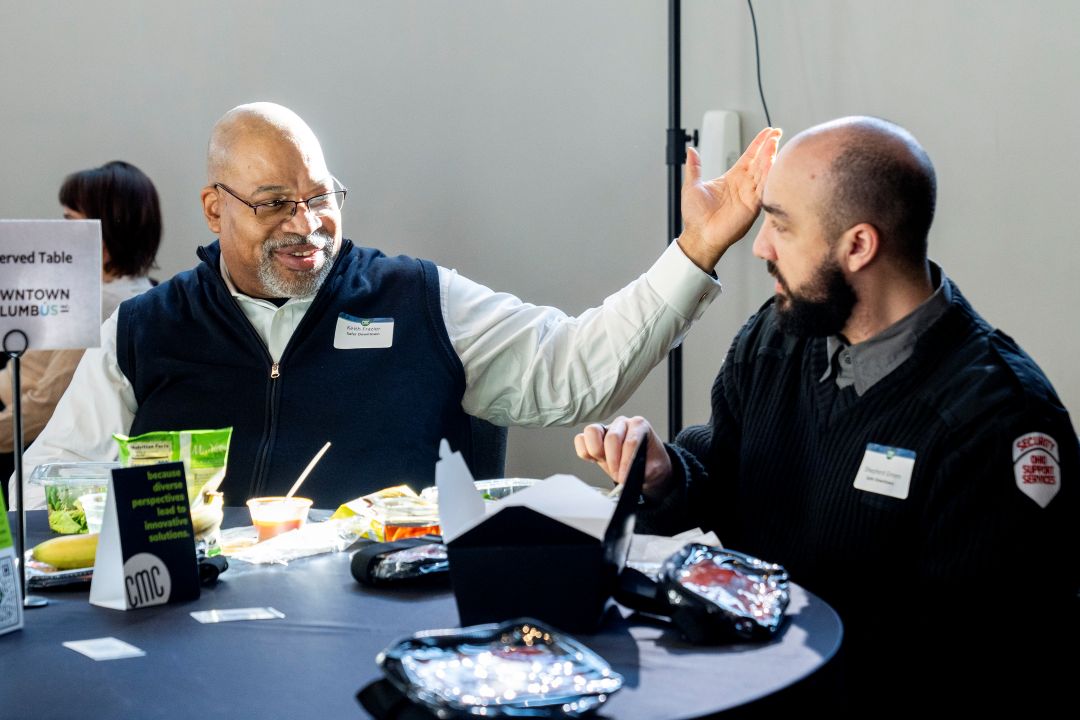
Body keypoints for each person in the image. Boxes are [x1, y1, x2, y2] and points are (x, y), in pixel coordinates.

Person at [13, 102, 781, 508]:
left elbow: (574, 371)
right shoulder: (144, 330)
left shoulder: (417, 298)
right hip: (196, 636)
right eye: (274, 202)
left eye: (321, 197)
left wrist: (695, 250)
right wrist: (146, 507)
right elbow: (46, 481)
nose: (305, 225)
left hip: (388, 627)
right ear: (216, 209)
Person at [575, 116, 1077, 711]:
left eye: (781, 225)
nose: (760, 247)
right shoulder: (776, 338)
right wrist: (666, 476)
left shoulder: (999, 420)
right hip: (751, 681)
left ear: (858, 246)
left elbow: (985, 662)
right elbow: (726, 481)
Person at [0, 161, 160, 507]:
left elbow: (43, 408)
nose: (61, 232)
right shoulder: (127, 291)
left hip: (21, 439)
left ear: (106, 231)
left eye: (71, 221)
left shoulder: (104, 305)